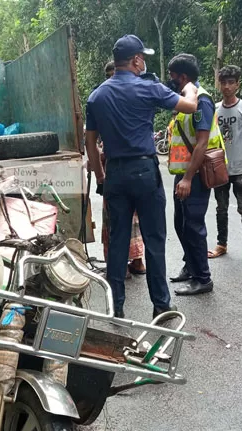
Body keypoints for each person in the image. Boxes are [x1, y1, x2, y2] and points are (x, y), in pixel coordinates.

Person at [85, 34, 198, 318]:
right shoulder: (149, 88)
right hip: (145, 171)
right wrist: (192, 88)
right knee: (154, 239)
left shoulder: (97, 96)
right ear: (136, 60)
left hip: (115, 174)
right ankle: (161, 304)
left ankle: (116, 307)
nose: (144, 63)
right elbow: (190, 106)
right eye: (142, 58)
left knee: (118, 241)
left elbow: (90, 143)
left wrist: (100, 177)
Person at [166, 54, 220, 295]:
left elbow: (201, 143)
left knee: (194, 225)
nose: (170, 81)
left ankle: (203, 278)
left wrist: (188, 178)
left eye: (172, 76)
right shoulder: (186, 99)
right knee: (181, 223)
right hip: (184, 172)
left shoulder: (202, 101)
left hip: (196, 174)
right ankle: (190, 266)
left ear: (183, 77)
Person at [97, 60, 147, 277]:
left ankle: (136, 259)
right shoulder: (102, 100)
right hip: (113, 166)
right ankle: (121, 263)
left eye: (113, 74)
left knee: (134, 215)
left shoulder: (125, 98)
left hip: (130, 166)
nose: (111, 78)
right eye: (108, 75)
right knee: (116, 216)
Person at [207, 64, 242, 265]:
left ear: (237, 84)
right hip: (220, 168)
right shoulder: (215, 110)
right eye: (223, 83)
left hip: (240, 168)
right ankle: (222, 243)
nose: (227, 87)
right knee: (221, 208)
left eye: (231, 82)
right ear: (219, 85)